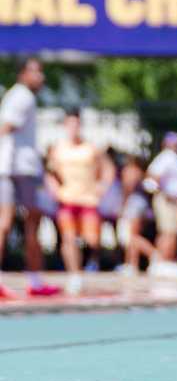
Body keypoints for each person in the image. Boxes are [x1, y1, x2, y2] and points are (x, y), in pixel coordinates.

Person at [0, 59, 59, 297]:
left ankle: (34, 281)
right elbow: (6, 126)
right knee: (24, 221)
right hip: (19, 167)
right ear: (23, 74)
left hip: (10, 166)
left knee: (11, 222)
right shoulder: (22, 96)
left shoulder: (17, 95)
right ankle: (34, 281)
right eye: (37, 72)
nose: (41, 77)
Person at [45, 110, 111, 296]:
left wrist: (102, 186)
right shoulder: (58, 148)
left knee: (93, 240)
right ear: (66, 126)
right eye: (70, 125)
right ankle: (74, 275)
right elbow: (49, 172)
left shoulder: (91, 148)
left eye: (76, 125)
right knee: (68, 238)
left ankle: (87, 263)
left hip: (88, 200)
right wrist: (54, 188)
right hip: (67, 199)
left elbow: (108, 169)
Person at [143, 132, 177, 278]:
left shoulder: (175, 158)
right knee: (169, 232)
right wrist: (164, 193)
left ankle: (162, 262)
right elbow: (152, 177)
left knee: (170, 232)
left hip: (175, 202)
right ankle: (164, 262)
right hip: (167, 201)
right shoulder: (167, 157)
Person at [114, 155, 154, 276]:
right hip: (141, 204)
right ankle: (131, 264)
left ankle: (154, 255)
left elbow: (128, 187)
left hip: (133, 205)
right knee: (132, 236)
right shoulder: (141, 172)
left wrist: (123, 205)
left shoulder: (130, 171)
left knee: (132, 236)